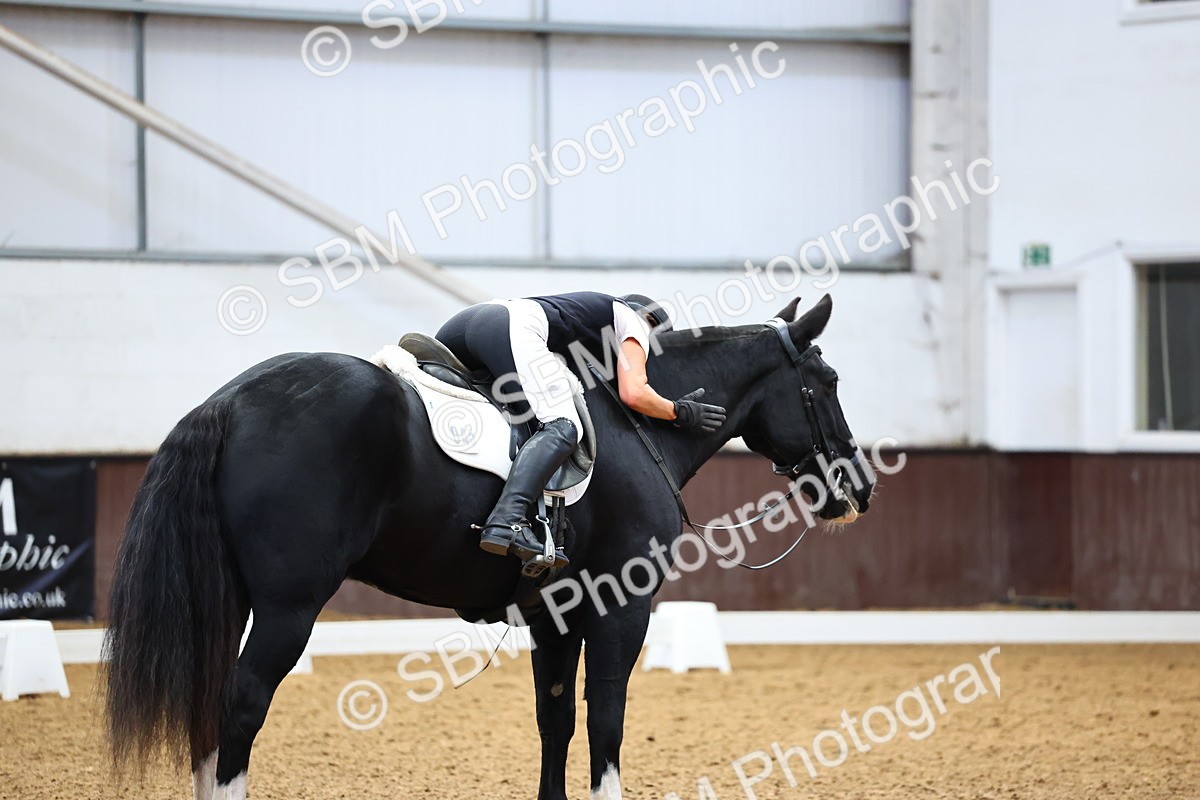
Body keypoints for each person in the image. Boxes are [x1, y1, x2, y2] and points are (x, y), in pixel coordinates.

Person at [436, 291, 727, 562]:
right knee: (563, 425)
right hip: (510, 327)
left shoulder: (590, 322)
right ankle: (508, 520)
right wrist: (678, 412)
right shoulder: (636, 324)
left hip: (462, 325)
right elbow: (633, 393)